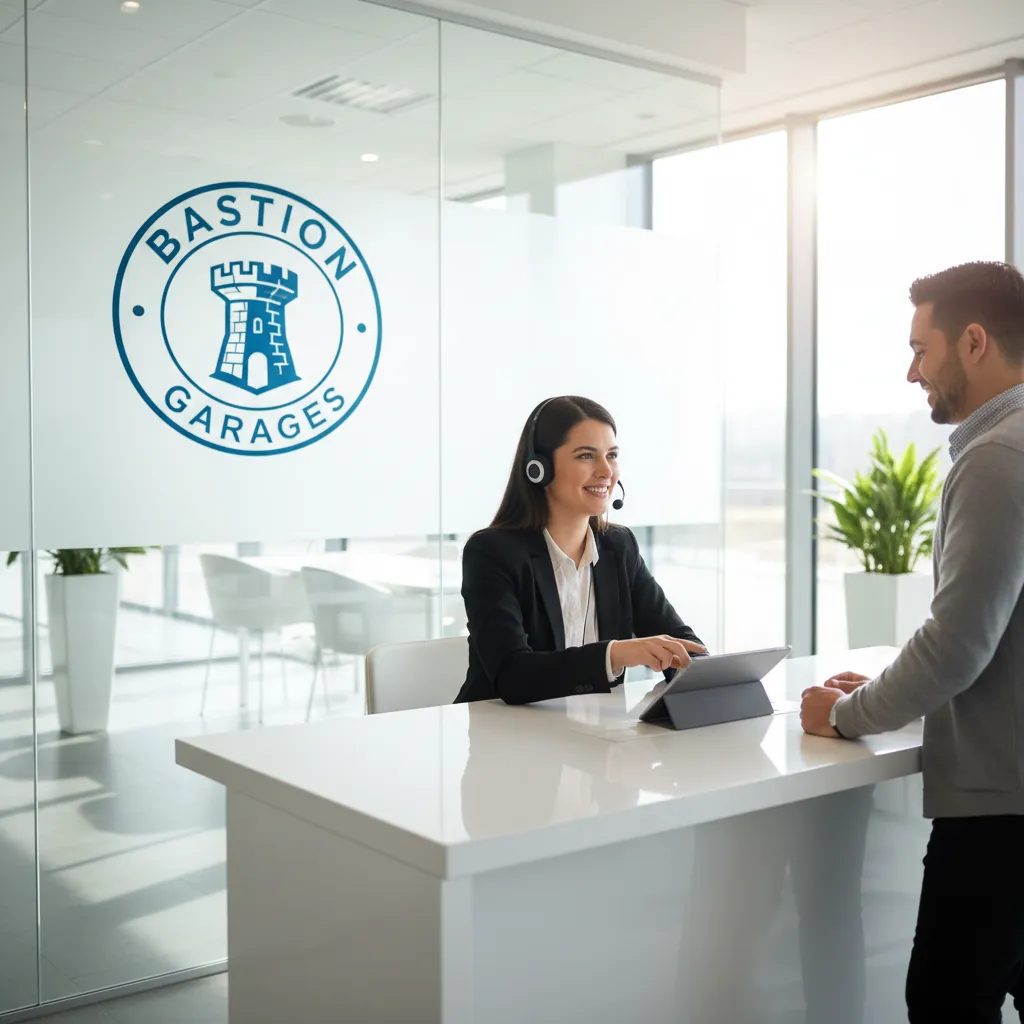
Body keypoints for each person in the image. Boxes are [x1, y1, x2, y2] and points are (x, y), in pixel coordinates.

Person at [799, 261, 1024, 1023]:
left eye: (920, 350)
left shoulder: (998, 458)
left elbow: (960, 644)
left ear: (971, 342)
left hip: (1002, 812)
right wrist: (893, 685)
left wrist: (847, 714)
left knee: (944, 1004)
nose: (910, 372)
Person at [454, 395, 706, 705]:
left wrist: (696, 668)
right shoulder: (492, 552)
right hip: (506, 738)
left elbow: (680, 640)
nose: (606, 471)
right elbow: (512, 675)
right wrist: (616, 654)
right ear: (539, 468)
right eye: (586, 456)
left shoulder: (619, 546)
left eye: (611, 455)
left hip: (592, 738)